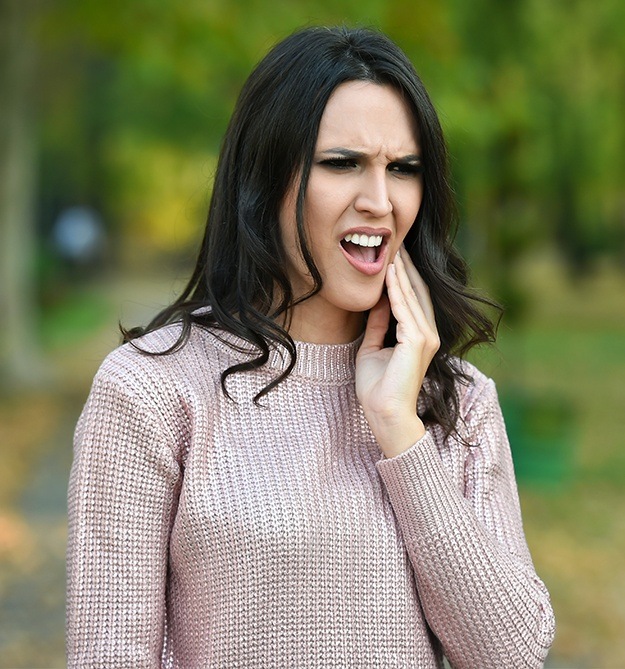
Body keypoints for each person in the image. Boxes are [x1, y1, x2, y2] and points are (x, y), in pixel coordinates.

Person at [66, 25, 555, 669]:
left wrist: (399, 430)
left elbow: (513, 655)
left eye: (402, 169)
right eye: (342, 163)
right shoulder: (151, 392)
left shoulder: (458, 404)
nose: (380, 202)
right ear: (264, 179)